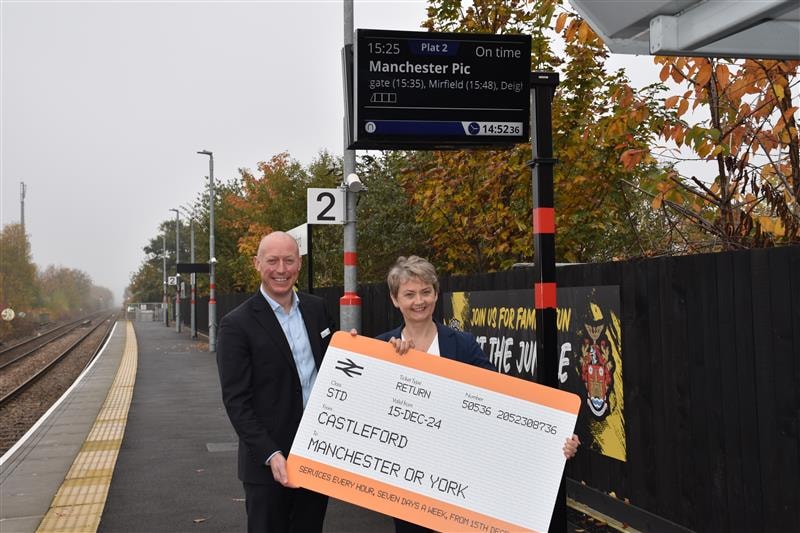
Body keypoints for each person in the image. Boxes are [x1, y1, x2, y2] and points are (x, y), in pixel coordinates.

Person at [375, 255, 581, 533]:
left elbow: (502, 402)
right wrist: (360, 351)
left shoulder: (463, 345)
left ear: (436, 294)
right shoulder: (381, 349)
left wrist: (556, 435)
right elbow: (365, 405)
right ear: (394, 299)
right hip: (407, 480)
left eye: (426, 292)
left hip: (460, 475)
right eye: (409, 294)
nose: (419, 301)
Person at [217, 231, 335, 533]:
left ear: (299, 264)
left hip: (314, 455)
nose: (281, 270)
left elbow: (333, 370)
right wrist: (270, 453)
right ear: (257, 264)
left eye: (289, 260)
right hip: (267, 465)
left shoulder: (317, 308)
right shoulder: (236, 325)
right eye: (272, 261)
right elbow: (237, 401)